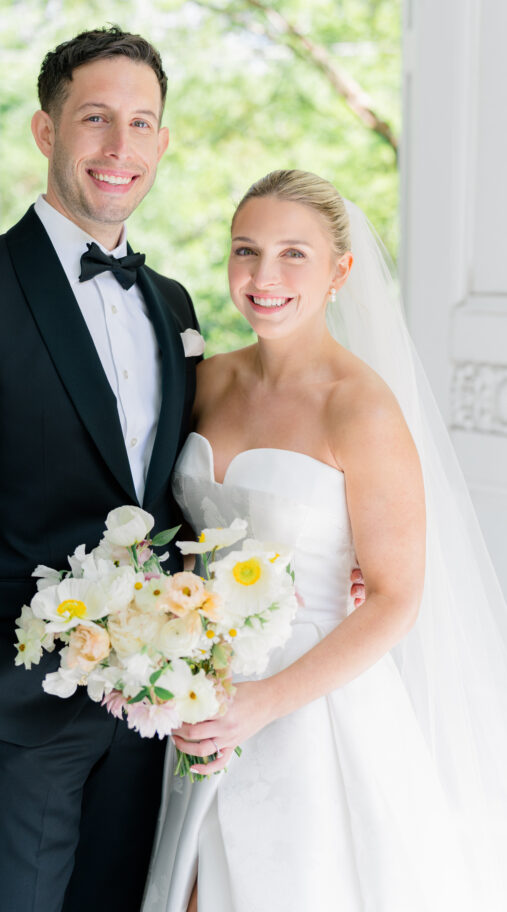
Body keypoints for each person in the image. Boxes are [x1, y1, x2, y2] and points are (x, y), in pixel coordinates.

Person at [0, 27, 203, 912]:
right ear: (46, 132)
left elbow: (177, 488)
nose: (118, 147)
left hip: (145, 706)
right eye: (94, 118)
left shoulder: (172, 304)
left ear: (162, 143)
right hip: (10, 708)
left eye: (140, 123)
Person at [141, 170, 507, 912]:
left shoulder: (360, 408)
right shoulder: (206, 381)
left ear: (340, 271)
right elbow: (177, 529)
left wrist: (263, 702)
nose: (262, 276)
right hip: (206, 689)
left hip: (314, 705)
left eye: (292, 254)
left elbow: (396, 598)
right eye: (245, 250)